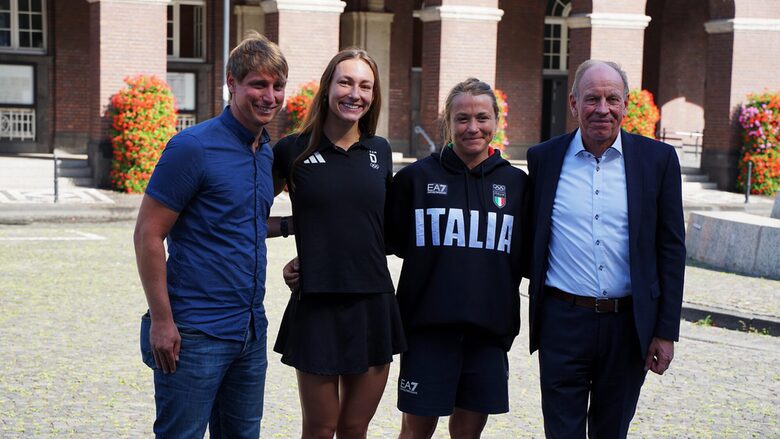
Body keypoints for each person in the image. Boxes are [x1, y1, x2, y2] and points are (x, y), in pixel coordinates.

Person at [134, 32, 289, 438]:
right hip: (195, 333)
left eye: (277, 86)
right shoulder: (193, 147)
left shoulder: (264, 151)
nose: (269, 96)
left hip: (249, 333)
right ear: (232, 83)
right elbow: (148, 234)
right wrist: (162, 323)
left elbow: (241, 224)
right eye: (258, 84)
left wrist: (292, 226)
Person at [525, 60, 686, 438]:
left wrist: (665, 332)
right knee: (561, 432)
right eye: (592, 98)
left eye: (612, 98)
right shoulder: (543, 159)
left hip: (627, 327)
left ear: (626, 104)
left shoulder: (657, 161)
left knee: (611, 432)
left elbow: (671, 250)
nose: (602, 109)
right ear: (573, 103)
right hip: (562, 322)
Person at [271, 48, 406, 439]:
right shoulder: (291, 151)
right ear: (327, 86)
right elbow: (247, 216)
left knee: (354, 427)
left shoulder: (379, 151)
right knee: (320, 427)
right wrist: (295, 228)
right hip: (317, 303)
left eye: (365, 86)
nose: (355, 93)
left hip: (373, 303)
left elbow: (383, 227)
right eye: (345, 82)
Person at [385, 78, 530, 439]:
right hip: (426, 333)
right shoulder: (414, 180)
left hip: (488, 335)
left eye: (482, 117)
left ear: (496, 121)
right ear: (447, 123)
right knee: (415, 433)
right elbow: (382, 241)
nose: (473, 128)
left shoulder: (517, 185)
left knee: (467, 435)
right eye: (462, 118)